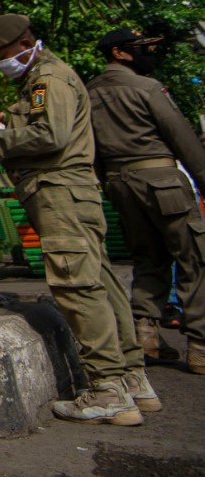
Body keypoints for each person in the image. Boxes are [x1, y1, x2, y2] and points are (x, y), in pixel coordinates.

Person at [0, 14, 157, 424]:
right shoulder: (42, 79)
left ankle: (107, 389)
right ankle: (131, 380)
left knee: (77, 285)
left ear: (23, 43)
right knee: (100, 280)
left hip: (59, 192)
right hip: (73, 193)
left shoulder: (48, 78)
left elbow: (49, 137)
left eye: (1, 55)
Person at [85, 27, 205, 373]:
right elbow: (181, 138)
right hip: (162, 181)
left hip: (119, 185)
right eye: (143, 49)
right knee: (194, 258)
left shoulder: (88, 92)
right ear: (120, 53)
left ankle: (147, 335)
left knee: (148, 258)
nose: (150, 54)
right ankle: (199, 345)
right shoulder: (147, 88)